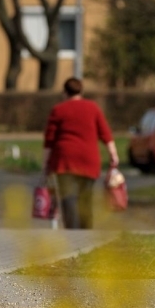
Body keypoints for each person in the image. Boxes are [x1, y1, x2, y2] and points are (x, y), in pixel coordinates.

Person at [43, 77, 119, 229]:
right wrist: (113, 155)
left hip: (65, 161)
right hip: (88, 160)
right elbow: (105, 134)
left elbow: (49, 140)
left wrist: (45, 164)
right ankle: (86, 233)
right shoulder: (93, 108)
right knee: (86, 198)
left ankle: (73, 234)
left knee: (69, 199)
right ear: (81, 91)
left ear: (65, 92)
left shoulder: (58, 110)